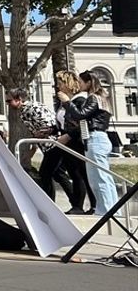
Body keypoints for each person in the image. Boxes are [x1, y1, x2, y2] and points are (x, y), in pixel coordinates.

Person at [6, 88, 76, 208]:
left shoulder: (32, 108)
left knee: (45, 174)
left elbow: (50, 124)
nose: (8, 104)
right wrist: (34, 146)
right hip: (48, 145)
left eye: (9, 101)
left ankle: (49, 204)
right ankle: (74, 203)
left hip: (53, 145)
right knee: (58, 174)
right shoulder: (26, 110)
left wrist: (40, 134)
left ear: (19, 99)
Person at [66, 70, 117, 216]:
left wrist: (67, 102)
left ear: (89, 82)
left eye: (81, 82)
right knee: (104, 177)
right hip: (99, 138)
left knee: (98, 178)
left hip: (95, 138)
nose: (79, 85)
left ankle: (105, 210)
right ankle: (112, 210)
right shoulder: (102, 98)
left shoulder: (94, 98)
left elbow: (80, 115)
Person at [52, 70, 92, 214]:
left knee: (79, 173)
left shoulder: (78, 100)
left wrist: (68, 135)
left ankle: (83, 205)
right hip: (65, 138)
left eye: (61, 83)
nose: (58, 86)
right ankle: (77, 204)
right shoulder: (64, 102)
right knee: (72, 172)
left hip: (74, 139)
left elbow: (79, 121)